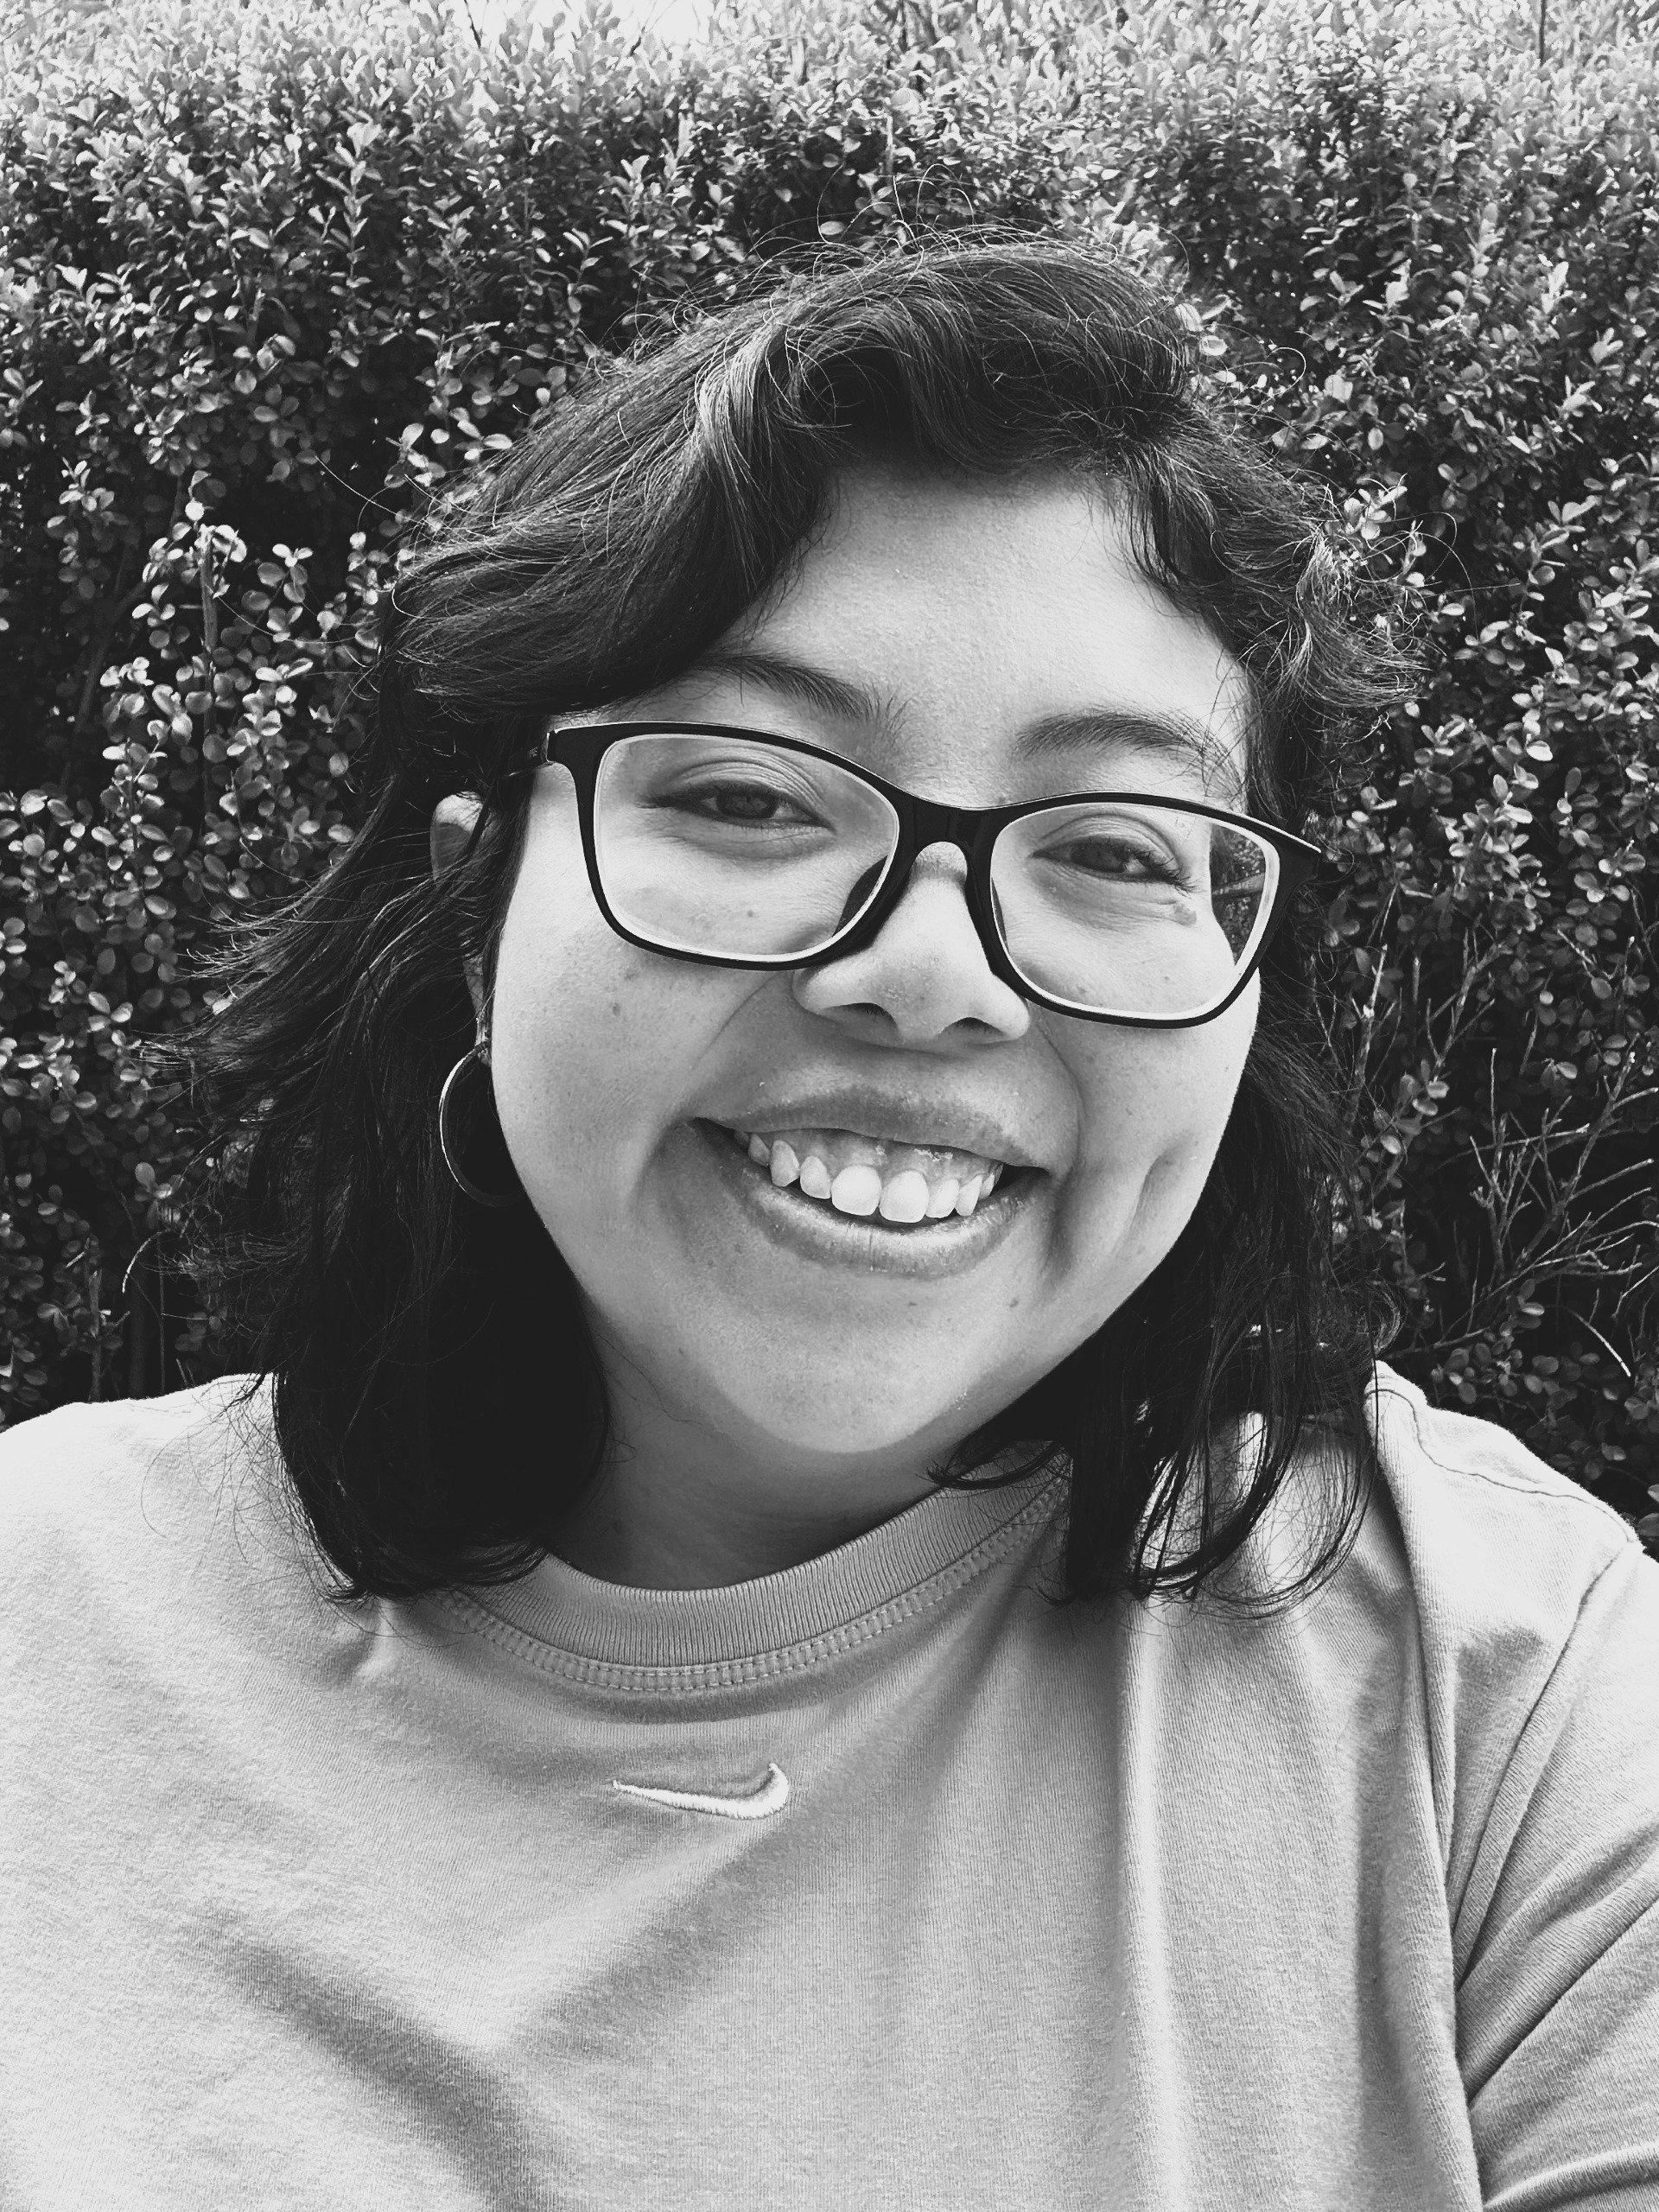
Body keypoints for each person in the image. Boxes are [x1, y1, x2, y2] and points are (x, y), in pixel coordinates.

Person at [2, 239, 1655, 2210]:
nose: (932, 974)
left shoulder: (1512, 1698)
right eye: (749, 797)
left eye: (1114, 843)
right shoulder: (44, 1624)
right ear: (476, 910)